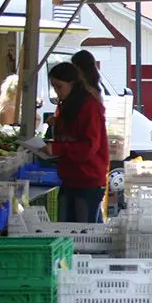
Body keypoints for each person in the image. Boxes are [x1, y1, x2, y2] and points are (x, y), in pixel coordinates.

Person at [43, 62, 109, 223]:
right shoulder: (66, 105)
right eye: (54, 87)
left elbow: (89, 146)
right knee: (68, 227)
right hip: (70, 177)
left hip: (88, 178)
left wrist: (58, 149)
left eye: (59, 86)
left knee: (83, 230)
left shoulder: (89, 107)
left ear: (72, 84)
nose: (56, 91)